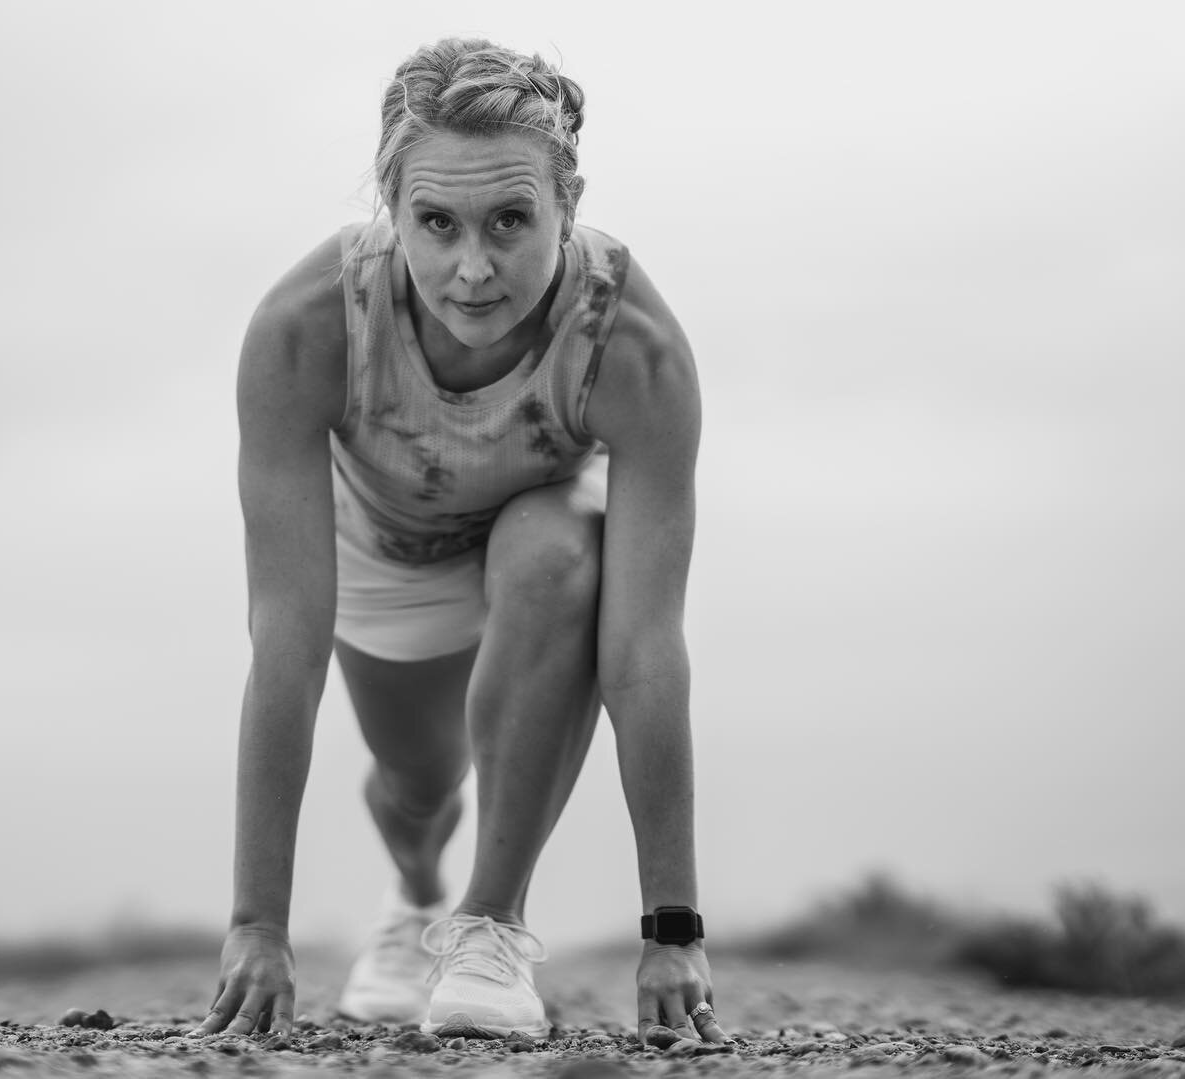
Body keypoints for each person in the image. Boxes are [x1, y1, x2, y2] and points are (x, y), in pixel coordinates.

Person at [193, 36, 726, 1047]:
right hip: (385, 554)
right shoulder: (308, 329)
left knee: (559, 547)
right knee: (417, 781)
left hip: (535, 534)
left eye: (510, 222)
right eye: (435, 224)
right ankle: (416, 888)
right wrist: (257, 923)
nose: (472, 269)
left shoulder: (633, 347)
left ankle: (487, 923)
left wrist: (674, 926)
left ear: (568, 206)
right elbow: (286, 639)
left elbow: (645, 650)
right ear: (391, 211)